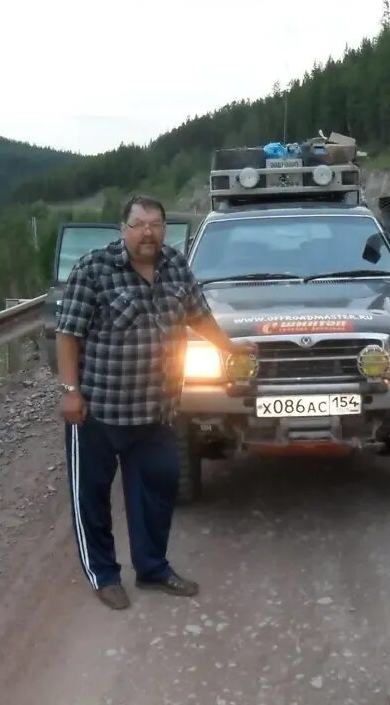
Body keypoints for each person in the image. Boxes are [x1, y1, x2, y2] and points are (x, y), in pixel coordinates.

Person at [54, 194, 254, 610]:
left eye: (156, 225)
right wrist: (71, 392)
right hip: (99, 412)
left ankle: (152, 569)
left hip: (157, 411)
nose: (148, 233)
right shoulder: (93, 269)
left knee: (158, 491)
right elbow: (68, 334)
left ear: (165, 229)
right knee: (91, 497)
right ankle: (104, 575)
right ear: (123, 229)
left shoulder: (176, 266)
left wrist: (230, 349)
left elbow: (199, 317)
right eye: (139, 224)